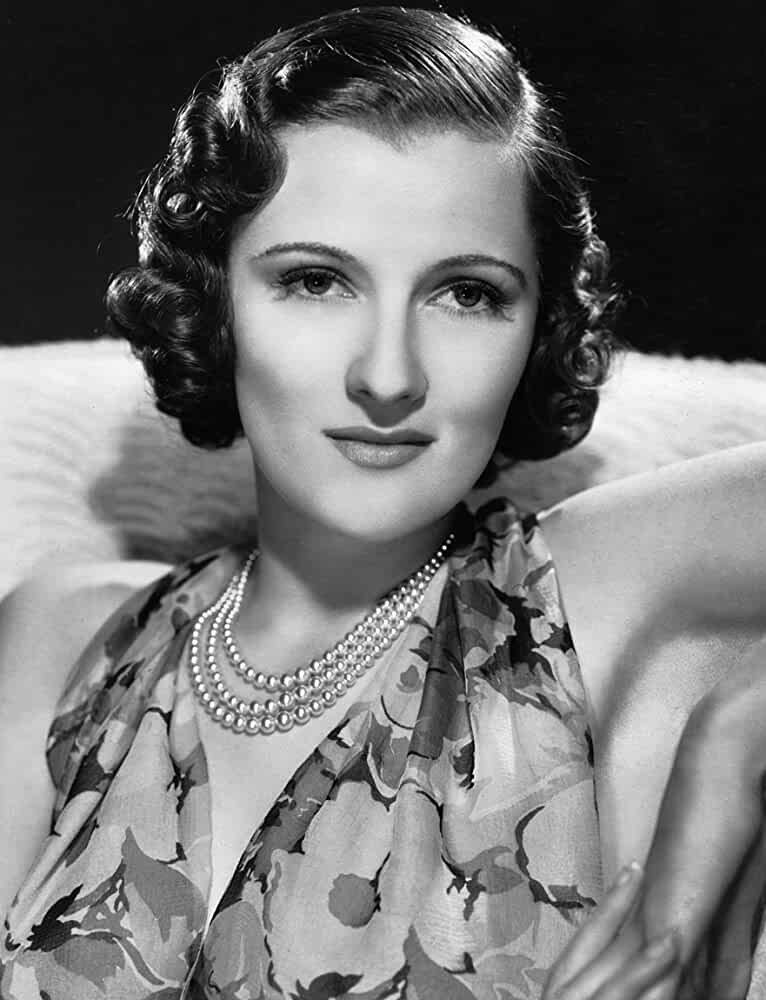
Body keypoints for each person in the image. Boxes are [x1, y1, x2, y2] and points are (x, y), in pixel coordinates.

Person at [0, 7, 764, 998]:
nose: (389, 375)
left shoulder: (595, 590)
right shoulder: (68, 638)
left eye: (467, 294)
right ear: (216, 300)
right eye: (316, 281)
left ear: (537, 325)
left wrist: (738, 741)